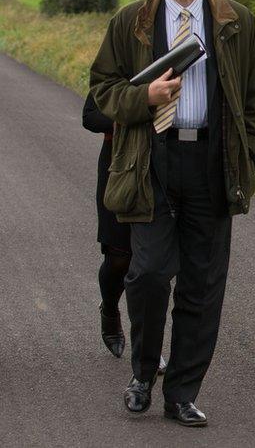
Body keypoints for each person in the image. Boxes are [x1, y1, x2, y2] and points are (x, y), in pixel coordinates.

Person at [89, 0, 255, 427]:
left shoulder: (237, 20)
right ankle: (143, 373)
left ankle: (181, 393)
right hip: (151, 159)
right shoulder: (131, 21)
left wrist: (252, 155)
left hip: (212, 163)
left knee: (203, 284)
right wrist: (141, 98)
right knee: (147, 274)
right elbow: (102, 90)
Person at [81, 92, 166, 374]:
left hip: (161, 166)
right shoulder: (119, 61)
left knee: (150, 264)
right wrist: (135, 115)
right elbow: (90, 116)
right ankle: (109, 309)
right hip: (118, 167)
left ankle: (149, 347)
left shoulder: (172, 60)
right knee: (119, 258)